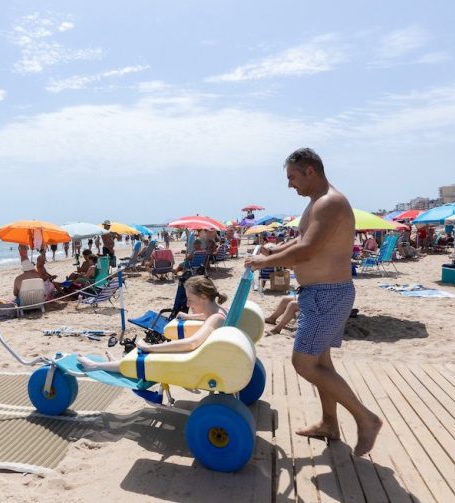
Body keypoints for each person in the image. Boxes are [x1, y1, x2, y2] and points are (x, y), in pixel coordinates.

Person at [244, 147, 382, 457]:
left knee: (303, 363)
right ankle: (330, 424)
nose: (290, 184)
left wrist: (261, 264)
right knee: (321, 363)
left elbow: (306, 251)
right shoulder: (317, 203)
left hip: (327, 294)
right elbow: (301, 240)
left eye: (292, 177)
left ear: (310, 171)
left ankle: (366, 419)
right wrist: (275, 249)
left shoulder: (330, 203)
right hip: (320, 293)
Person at [78, 276, 227, 371]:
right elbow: (207, 318)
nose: (187, 303)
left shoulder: (215, 318)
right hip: (201, 357)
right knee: (146, 352)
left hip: (193, 364)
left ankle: (95, 366)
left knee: (144, 355)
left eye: (190, 299)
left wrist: (151, 348)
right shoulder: (220, 311)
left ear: (203, 297)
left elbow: (191, 343)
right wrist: (188, 317)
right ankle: (117, 365)